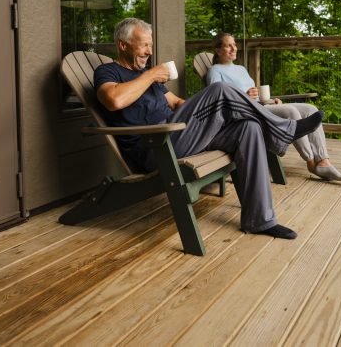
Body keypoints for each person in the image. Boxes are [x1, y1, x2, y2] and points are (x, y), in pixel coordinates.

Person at [95, 18, 325, 240]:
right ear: (122, 45)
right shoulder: (108, 72)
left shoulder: (148, 80)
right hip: (156, 148)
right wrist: (152, 74)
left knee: (249, 127)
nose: (149, 51)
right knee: (219, 90)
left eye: (150, 45)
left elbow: (177, 103)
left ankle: (260, 220)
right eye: (144, 44)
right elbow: (114, 100)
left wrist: (205, 110)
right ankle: (284, 130)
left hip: (180, 134)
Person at [206, 33, 341, 182]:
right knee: (290, 112)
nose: (233, 48)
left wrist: (270, 101)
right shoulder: (215, 71)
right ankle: (311, 163)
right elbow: (217, 100)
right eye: (228, 45)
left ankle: (324, 160)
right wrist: (245, 96)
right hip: (246, 112)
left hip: (262, 106)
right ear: (217, 49)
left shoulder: (241, 69)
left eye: (234, 45)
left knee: (310, 109)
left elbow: (255, 95)